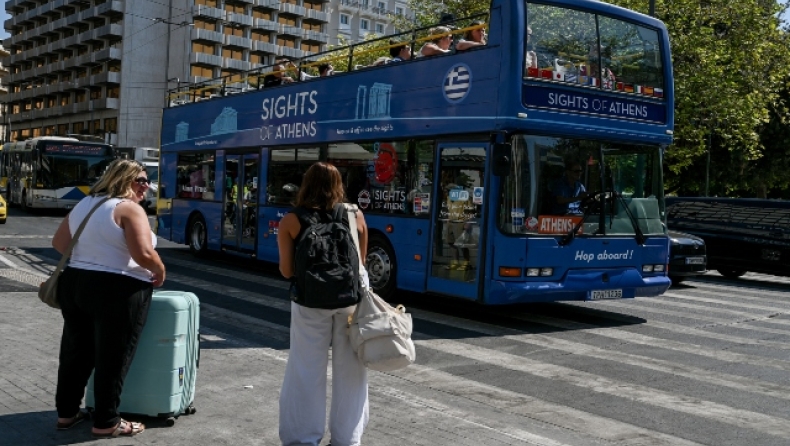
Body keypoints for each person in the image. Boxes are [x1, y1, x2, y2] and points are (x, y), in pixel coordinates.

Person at [51, 159, 165, 438]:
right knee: (113, 356)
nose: (146, 186)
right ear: (123, 178)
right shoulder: (129, 208)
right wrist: (160, 269)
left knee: (75, 353)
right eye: (141, 180)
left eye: (147, 181)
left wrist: (93, 256)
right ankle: (107, 421)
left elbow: (59, 243)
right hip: (118, 288)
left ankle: (66, 413)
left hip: (75, 282)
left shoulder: (85, 204)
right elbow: (143, 254)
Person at [277, 162, 369, 446]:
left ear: (306, 183)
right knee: (351, 371)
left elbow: (287, 271)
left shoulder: (292, 220)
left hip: (310, 303)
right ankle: (347, 439)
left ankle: (303, 438)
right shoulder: (355, 215)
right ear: (339, 184)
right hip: (349, 303)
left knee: (306, 369)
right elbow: (361, 265)